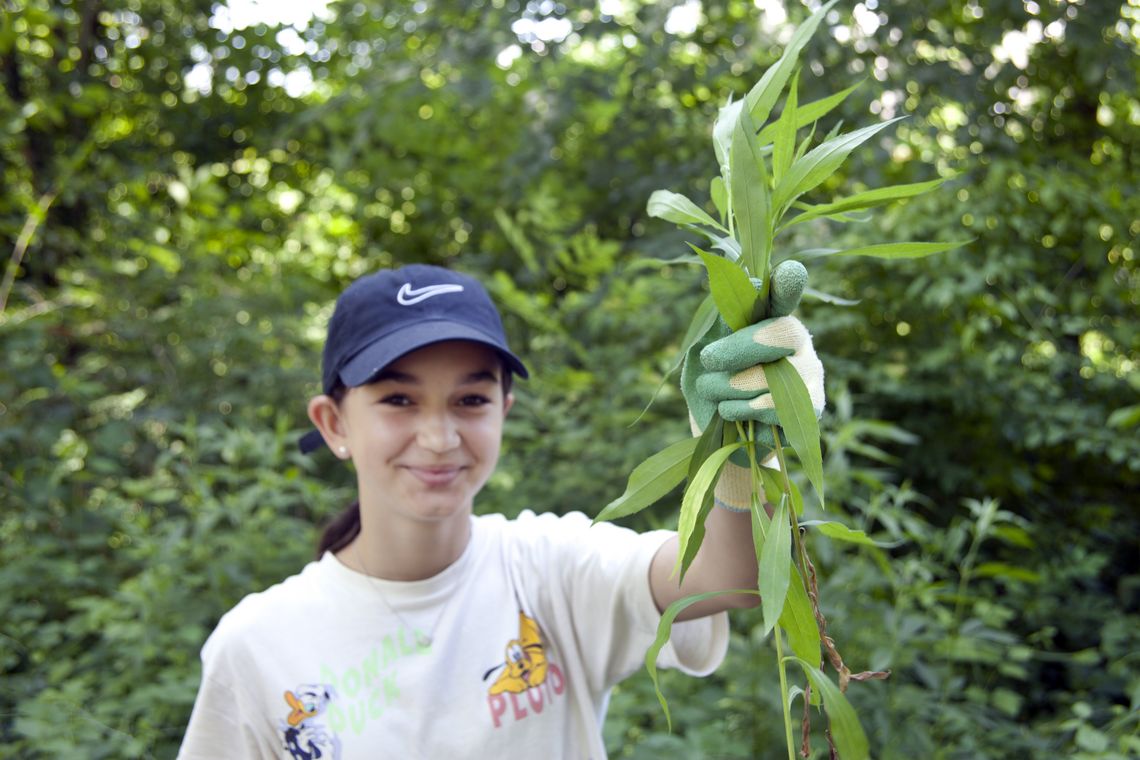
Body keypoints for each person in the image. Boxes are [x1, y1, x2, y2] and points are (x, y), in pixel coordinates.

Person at [177, 261, 823, 759]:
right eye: (399, 401)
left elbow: (729, 579)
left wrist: (741, 457)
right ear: (333, 423)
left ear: (503, 412)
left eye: (470, 401)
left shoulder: (550, 570)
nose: (438, 437)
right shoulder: (256, 646)